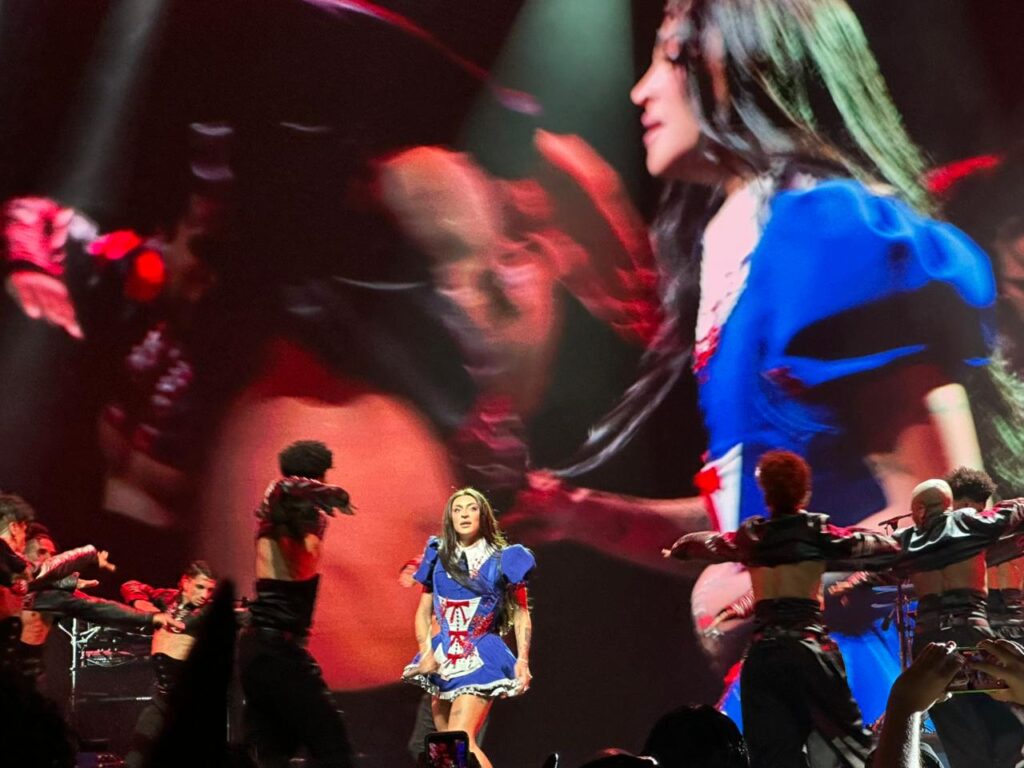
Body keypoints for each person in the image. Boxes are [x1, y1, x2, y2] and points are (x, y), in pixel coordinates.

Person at [620, 0, 999, 724]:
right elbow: (772, 501)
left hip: (870, 689)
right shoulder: (752, 241)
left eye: (668, 55)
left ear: (748, 59)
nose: (641, 90)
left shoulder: (827, 232)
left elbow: (944, 504)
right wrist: (583, 516)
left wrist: (759, 594)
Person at [665, 450, 901, 767]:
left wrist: (679, 549)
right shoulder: (817, 532)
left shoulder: (752, 537)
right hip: (808, 648)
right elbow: (874, 546)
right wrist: (897, 546)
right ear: (805, 492)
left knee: (770, 753)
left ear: (766, 494)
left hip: (764, 654)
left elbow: (709, 543)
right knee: (850, 744)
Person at [885, 479, 1024, 768]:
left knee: (958, 725)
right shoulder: (973, 525)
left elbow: (872, 564)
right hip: (971, 630)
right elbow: (1016, 511)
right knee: (999, 711)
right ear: (949, 504)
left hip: (933, 640)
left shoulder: (906, 539)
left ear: (919, 509)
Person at [237, 439, 355, 768]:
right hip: (276, 650)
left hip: (264, 649)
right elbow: (284, 487)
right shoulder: (284, 503)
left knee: (272, 753)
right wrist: (331, 494)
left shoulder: (288, 514)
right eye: (325, 476)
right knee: (333, 749)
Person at [402, 487, 535, 768]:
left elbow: (521, 612)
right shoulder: (437, 556)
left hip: (480, 656)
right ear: (450, 517)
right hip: (444, 658)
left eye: (471, 508)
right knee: (444, 749)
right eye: (457, 509)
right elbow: (423, 612)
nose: (464, 514)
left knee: (462, 740)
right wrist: (426, 652)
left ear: (483, 515)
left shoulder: (505, 559)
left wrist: (522, 660)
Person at [18, 523, 181, 687]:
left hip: (31, 666)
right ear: (24, 552)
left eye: (52, 554)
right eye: (41, 552)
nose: (48, 557)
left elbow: (100, 608)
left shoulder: (54, 594)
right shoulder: (12, 578)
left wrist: (151, 617)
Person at [120, 560, 216, 768]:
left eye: (210, 590)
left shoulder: (208, 611)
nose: (205, 595)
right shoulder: (167, 598)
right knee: (137, 753)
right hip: (162, 697)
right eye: (200, 587)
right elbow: (130, 586)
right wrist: (145, 607)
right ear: (186, 582)